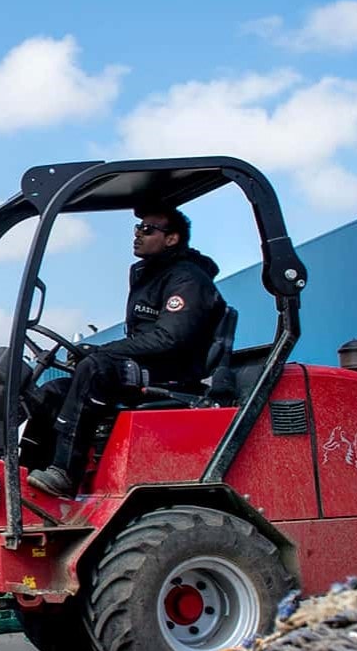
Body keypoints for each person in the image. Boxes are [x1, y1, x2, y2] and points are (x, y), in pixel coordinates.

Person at [22, 204, 223, 498]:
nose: (138, 235)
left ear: (172, 239)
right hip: (148, 368)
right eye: (137, 228)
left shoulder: (188, 280)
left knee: (96, 368)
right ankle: (24, 472)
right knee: (55, 390)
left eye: (148, 229)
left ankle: (66, 472)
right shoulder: (150, 276)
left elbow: (170, 338)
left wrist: (104, 351)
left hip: (175, 373)